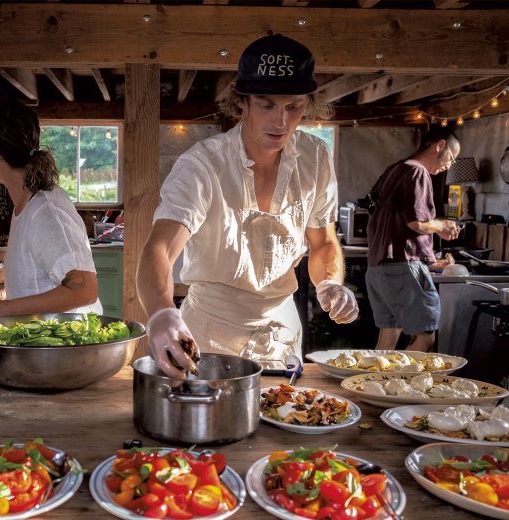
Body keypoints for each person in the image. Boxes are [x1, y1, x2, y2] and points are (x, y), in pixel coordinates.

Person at [136, 33, 359, 379]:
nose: (281, 121)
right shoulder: (203, 164)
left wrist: (330, 282)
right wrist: (162, 313)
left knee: (288, 419)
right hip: (210, 333)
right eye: (266, 104)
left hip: (281, 334)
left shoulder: (315, 158)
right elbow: (160, 248)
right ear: (242, 102)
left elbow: (324, 243)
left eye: (293, 107)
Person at [0, 99, 103, 316]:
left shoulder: (46, 211)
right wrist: (10, 289)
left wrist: (4, 308)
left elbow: (84, 291)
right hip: (43, 345)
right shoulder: (27, 205)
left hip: (67, 347)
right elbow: (45, 276)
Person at [365, 127, 461, 352]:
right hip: (401, 267)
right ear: (440, 146)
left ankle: (372, 385)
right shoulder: (417, 172)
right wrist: (441, 225)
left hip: (378, 269)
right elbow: (416, 223)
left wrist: (429, 258)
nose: (450, 164)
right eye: (452, 158)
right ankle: (404, 386)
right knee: (425, 338)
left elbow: (393, 222)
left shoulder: (394, 170)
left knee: (388, 338)